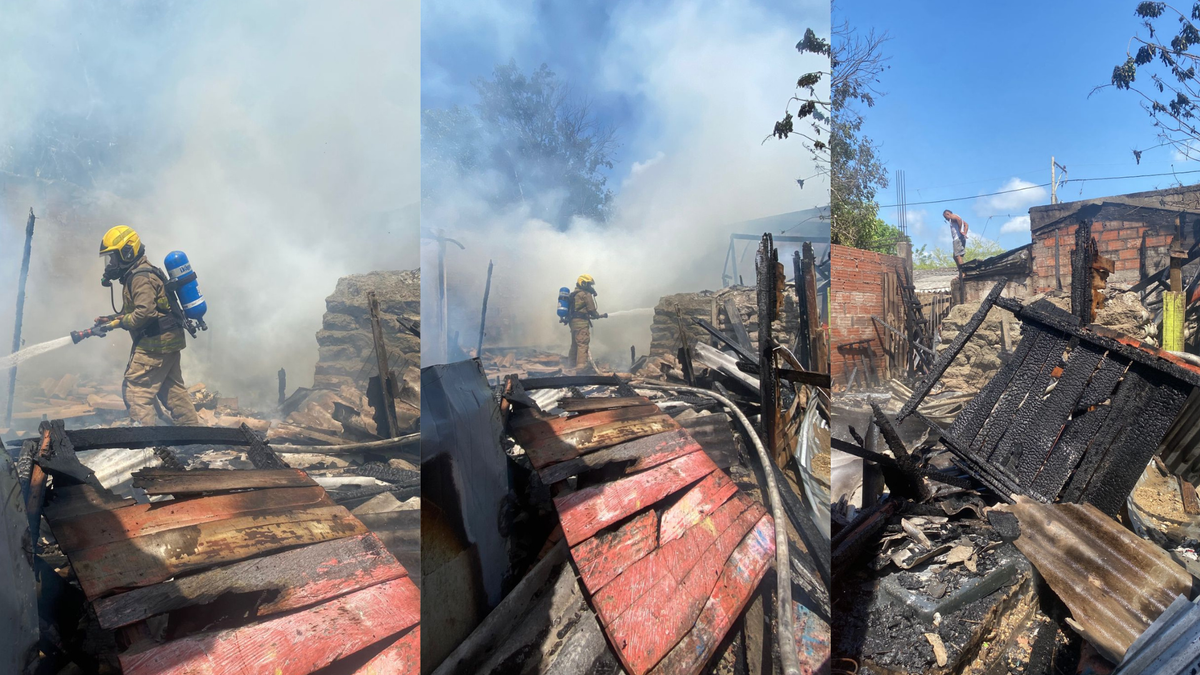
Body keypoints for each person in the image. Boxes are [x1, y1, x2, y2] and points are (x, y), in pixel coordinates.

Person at [96, 225, 200, 426]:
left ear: (128, 252)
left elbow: (145, 313)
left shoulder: (139, 278)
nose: (111, 264)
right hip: (168, 340)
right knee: (172, 391)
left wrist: (118, 323)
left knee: (136, 390)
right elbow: (140, 310)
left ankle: (146, 446)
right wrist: (110, 320)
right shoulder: (139, 273)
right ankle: (196, 438)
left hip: (155, 344)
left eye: (113, 258)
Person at [567, 274, 607, 372]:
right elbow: (592, 309)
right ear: (583, 283)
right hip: (581, 323)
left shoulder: (573, 294)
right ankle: (580, 369)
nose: (590, 287)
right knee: (583, 344)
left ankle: (570, 366)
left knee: (575, 344)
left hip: (573, 323)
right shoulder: (585, 294)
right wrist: (596, 315)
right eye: (589, 284)